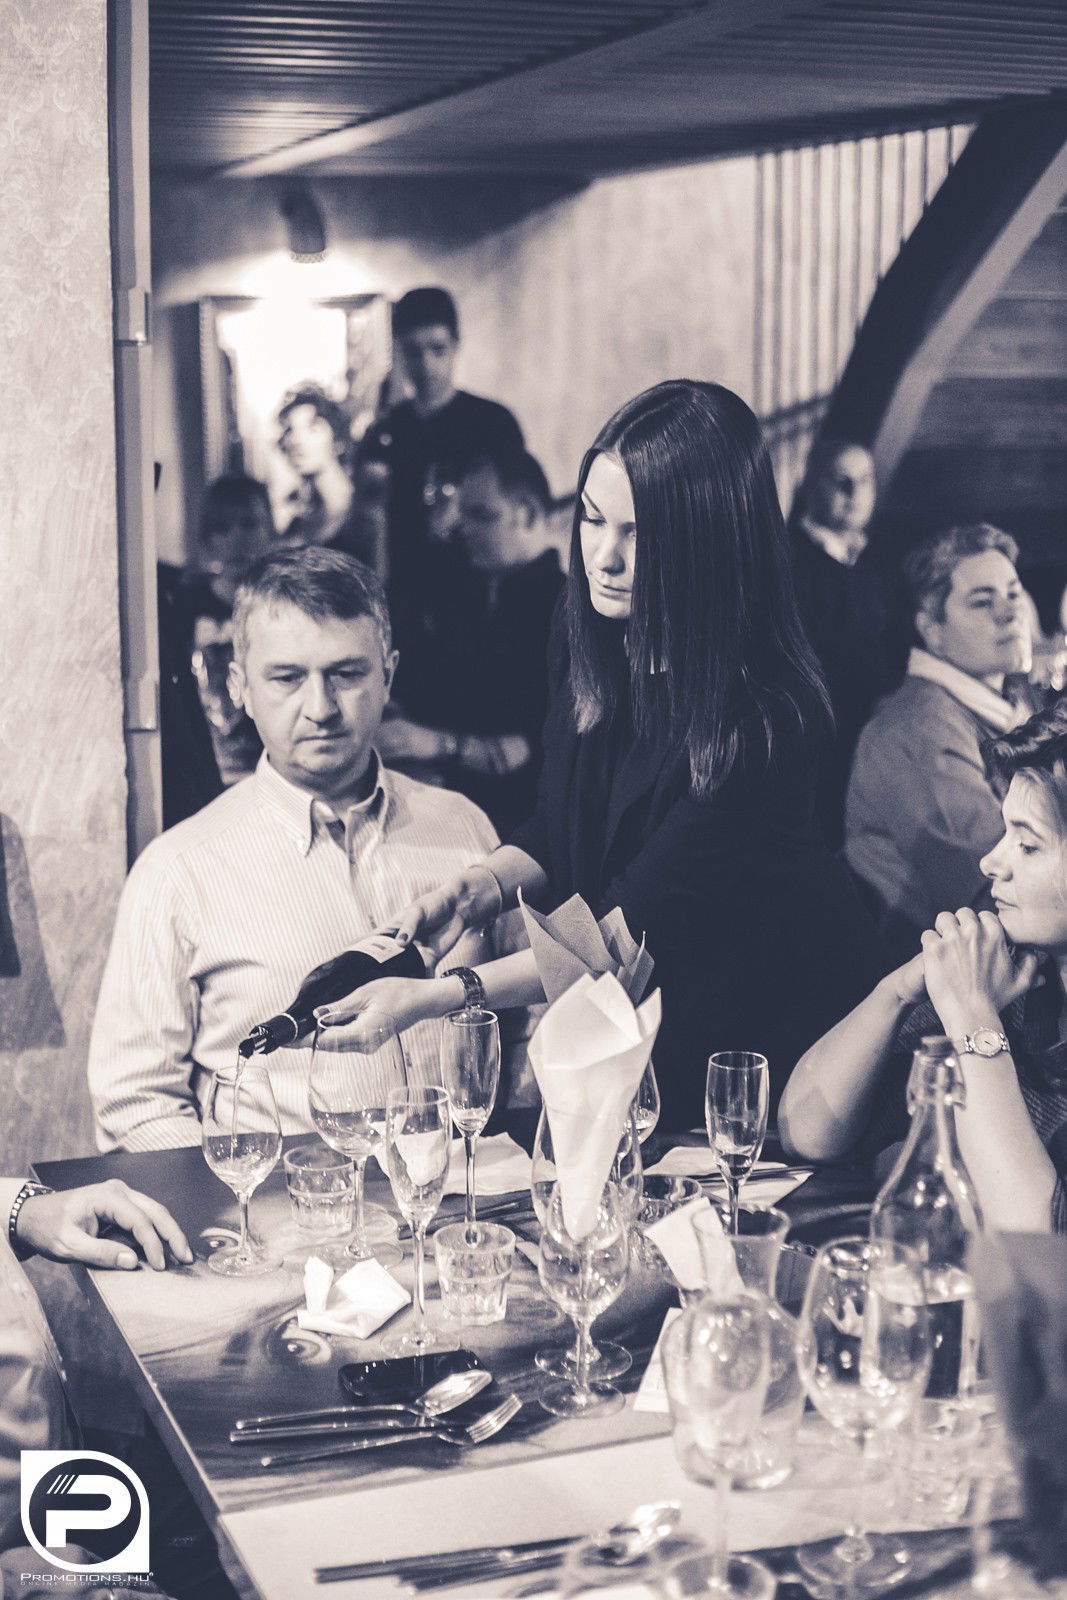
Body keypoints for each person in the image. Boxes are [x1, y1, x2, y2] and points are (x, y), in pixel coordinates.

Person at [321, 381, 886, 1129]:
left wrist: (437, 996)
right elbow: (562, 824)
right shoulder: (587, 630)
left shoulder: (764, 717)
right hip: (641, 1024)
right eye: (592, 518)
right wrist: (477, 888)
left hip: (764, 1049)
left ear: (711, 541)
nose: (604, 557)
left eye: (639, 533)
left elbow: (627, 932)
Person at [88, 548, 516, 1153]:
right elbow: (134, 1100)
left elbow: (530, 1018)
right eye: (287, 678)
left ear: (388, 675)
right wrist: (242, 1190)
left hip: (464, 1190)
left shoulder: (465, 829)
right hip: (283, 1202)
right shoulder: (177, 871)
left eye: (346, 674)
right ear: (239, 686)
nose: (321, 708)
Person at [781, 697, 1067, 1233]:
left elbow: (1035, 1240)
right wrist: (899, 990)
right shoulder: (1014, 970)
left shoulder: (984, 997)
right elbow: (807, 1131)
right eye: (1004, 832)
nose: (991, 862)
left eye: (1028, 846)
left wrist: (973, 1019)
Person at [1, 1179, 201, 1599]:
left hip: (47, 1473)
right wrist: (16, 1587)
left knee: (208, 1508)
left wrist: (18, 1211)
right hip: (19, 1549)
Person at [846, 523, 1034, 958]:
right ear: (931, 628)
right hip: (936, 979)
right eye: (982, 601)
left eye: (1013, 593)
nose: (1010, 613)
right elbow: (998, 888)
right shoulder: (917, 730)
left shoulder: (1002, 706)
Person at [378, 446, 565, 832]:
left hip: (515, 826)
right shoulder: (469, 595)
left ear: (527, 514)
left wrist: (436, 743)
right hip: (444, 801)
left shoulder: (565, 612)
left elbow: (533, 749)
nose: (463, 530)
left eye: (480, 515)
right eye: (462, 516)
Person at [358, 288, 525, 691]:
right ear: (399, 353)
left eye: (438, 349)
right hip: (405, 606)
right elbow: (368, 525)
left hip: (482, 604)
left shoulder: (492, 423)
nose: (427, 365)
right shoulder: (383, 432)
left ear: (456, 346)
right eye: (413, 352)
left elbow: (518, 513)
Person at [788, 436, 894, 844]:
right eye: (841, 481)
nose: (854, 493)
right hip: (821, 740)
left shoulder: (876, 559)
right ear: (812, 484)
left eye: (864, 481)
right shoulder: (790, 561)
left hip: (871, 731)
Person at [276, 385, 377, 566]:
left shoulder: (367, 513)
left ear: (337, 440)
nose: (297, 440)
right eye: (291, 429)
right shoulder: (299, 524)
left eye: (312, 428)